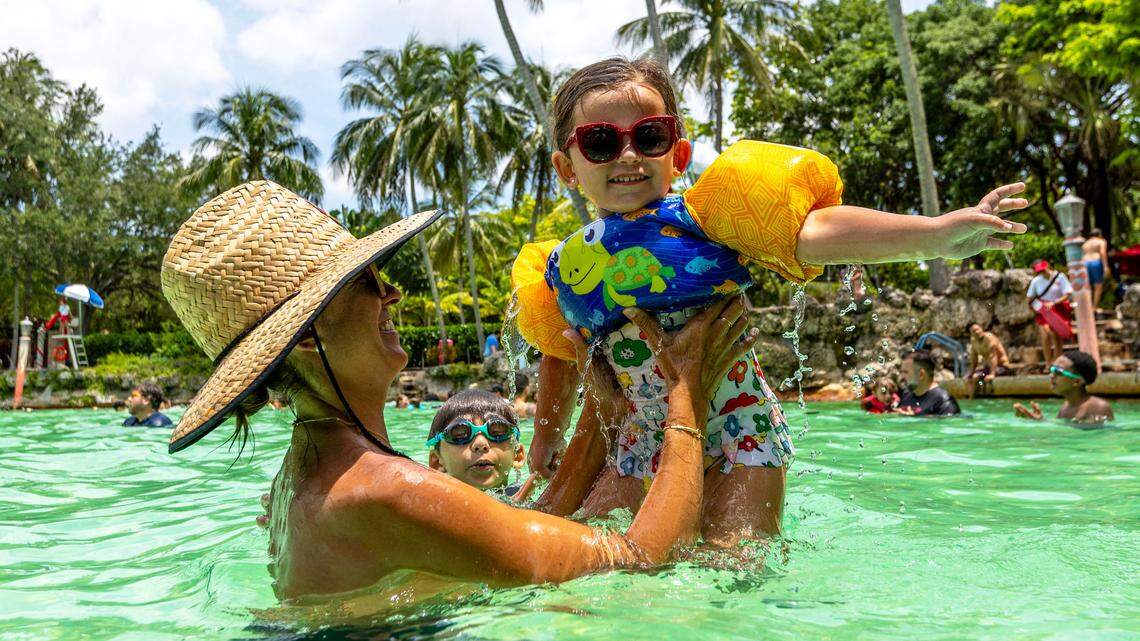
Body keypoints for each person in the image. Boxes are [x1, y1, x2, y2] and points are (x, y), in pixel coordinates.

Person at [161, 180, 753, 600]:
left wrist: (607, 413)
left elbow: (521, 526)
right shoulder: (387, 490)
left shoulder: (309, 474)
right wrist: (685, 397)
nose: (391, 294)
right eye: (368, 282)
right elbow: (638, 561)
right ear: (311, 338)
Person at [513, 57, 1025, 536]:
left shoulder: (705, 218)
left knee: (734, 568)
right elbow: (561, 351)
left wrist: (933, 234)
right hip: (638, 440)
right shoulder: (560, 267)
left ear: (679, 156)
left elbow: (813, 230)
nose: (627, 154)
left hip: (741, 432)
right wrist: (544, 441)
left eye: (649, 137)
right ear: (566, 168)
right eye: (601, 141)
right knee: (601, 567)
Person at [426, 389, 525, 494]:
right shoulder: (430, 507)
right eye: (460, 435)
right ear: (437, 462)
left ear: (517, 455)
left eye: (497, 433)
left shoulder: (534, 502)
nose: (481, 443)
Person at [1014, 350, 1115, 424]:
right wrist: (1039, 420)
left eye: (1058, 372)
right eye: (1052, 370)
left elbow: (1097, 437)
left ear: (1077, 381)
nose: (1052, 376)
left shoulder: (1097, 407)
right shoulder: (1065, 408)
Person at [1027, 259, 1073, 369]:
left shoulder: (1060, 277)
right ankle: (1048, 363)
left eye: (1043, 269)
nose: (1042, 272)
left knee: (1057, 338)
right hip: (1044, 312)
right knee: (1045, 335)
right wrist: (1038, 307)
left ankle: (1057, 364)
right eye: (1039, 271)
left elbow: (1068, 293)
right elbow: (1029, 298)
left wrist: (1054, 302)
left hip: (1059, 309)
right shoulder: (1036, 281)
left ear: (1047, 266)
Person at [897, 350, 961, 416]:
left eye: (905, 372)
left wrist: (915, 419)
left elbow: (951, 423)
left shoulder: (943, 401)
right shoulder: (906, 395)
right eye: (901, 372)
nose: (901, 377)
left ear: (921, 374)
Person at [964, 322, 1011, 398]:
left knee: (979, 377)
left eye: (977, 329)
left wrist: (992, 374)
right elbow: (974, 358)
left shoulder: (989, 337)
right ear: (970, 334)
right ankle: (972, 399)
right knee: (974, 377)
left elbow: (993, 355)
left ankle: (979, 391)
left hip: (1001, 367)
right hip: (987, 369)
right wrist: (971, 373)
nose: (977, 332)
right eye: (973, 331)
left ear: (981, 328)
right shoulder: (973, 341)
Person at [1081, 229, 1111, 309]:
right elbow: (1102, 253)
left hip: (1085, 263)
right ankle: (1094, 307)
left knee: (1087, 286)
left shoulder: (1085, 243)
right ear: (1099, 235)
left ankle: (1087, 306)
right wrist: (1105, 266)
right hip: (1095, 262)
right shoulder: (1101, 241)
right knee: (1098, 285)